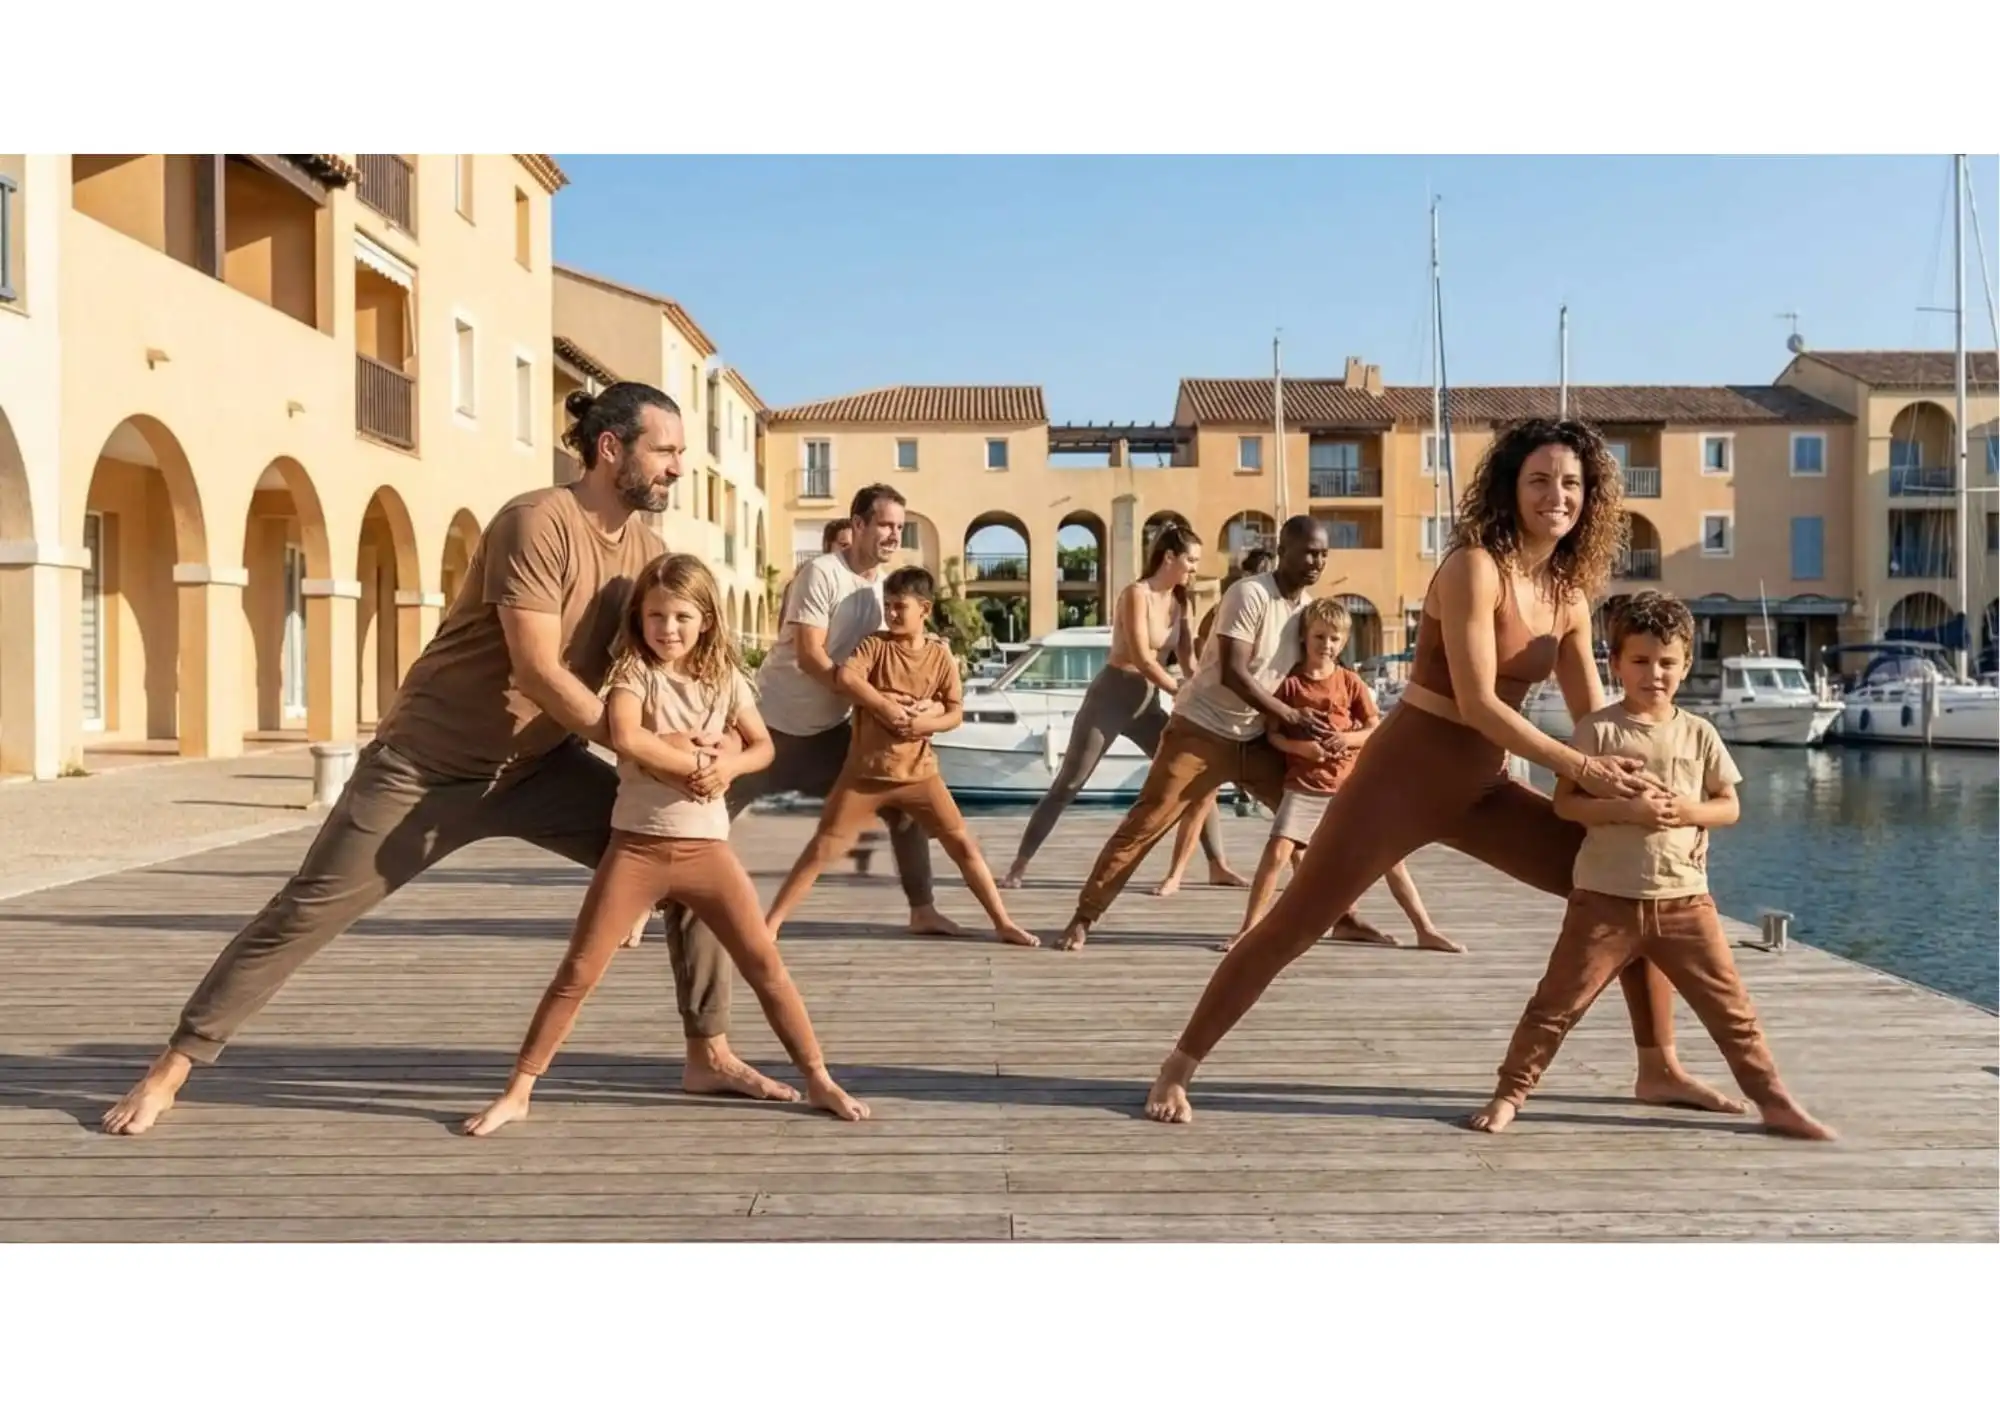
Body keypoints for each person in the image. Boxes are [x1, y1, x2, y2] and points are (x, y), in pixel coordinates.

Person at [103, 383, 788, 1137]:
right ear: (610, 449)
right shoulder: (537, 522)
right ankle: (173, 1066)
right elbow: (536, 670)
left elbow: (664, 675)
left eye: (681, 454)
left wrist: (722, 742)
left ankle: (708, 1052)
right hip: (425, 765)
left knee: (691, 863)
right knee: (305, 911)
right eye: (666, 451)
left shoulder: (649, 555)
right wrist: (646, 752)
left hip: (539, 768)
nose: (676, 468)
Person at [1144, 418, 1735, 1125]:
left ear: (1591, 497)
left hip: (1481, 790)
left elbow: (1596, 724)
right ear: (1512, 488)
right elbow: (1482, 703)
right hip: (1401, 781)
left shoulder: (1570, 596)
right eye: (1540, 480)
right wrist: (1584, 770)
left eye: (1571, 483)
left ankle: (1658, 1067)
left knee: (1630, 879)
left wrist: (1661, 806)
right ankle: (1177, 1067)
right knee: (1294, 923)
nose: (1557, 495)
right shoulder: (1475, 567)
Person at [463, 554, 868, 1136]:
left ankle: (818, 1077)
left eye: (681, 616)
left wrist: (727, 766)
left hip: (708, 854)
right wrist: (691, 762)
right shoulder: (634, 671)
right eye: (655, 615)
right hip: (637, 852)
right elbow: (627, 737)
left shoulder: (725, 678)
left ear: (705, 619)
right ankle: (519, 1090)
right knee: (578, 972)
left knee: (766, 967)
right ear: (639, 618)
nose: (667, 628)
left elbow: (763, 748)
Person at [1470, 592, 1833, 1139]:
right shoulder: (1598, 730)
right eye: (1639, 661)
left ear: (1686, 665)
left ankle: (1774, 1100)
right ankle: (1510, 1094)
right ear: (1616, 664)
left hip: (1685, 902)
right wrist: (1627, 810)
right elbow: (1567, 803)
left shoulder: (1700, 733)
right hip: (1603, 902)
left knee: (1732, 1010)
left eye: (1667, 663)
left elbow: (1728, 805)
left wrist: (1689, 812)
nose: (1653, 674)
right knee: (1554, 1005)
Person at [1053, 516, 1359, 953]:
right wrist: (1291, 716)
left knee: (1307, 818)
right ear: (1285, 550)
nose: (1318, 561)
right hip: (1200, 730)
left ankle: (1341, 916)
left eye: (1324, 553)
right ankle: (1084, 918)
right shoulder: (1250, 593)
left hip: (1253, 736)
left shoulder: (1306, 609)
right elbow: (1235, 673)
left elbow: (1307, 674)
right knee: (1145, 824)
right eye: (1310, 551)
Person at [695, 482, 965, 943]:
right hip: (774, 726)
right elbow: (810, 657)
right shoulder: (821, 573)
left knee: (901, 806)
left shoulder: (884, 588)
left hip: (834, 733)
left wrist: (924, 689)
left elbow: (891, 655)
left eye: (900, 527)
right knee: (706, 808)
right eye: (884, 524)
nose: (893, 535)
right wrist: (876, 701)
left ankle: (923, 909)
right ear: (858, 525)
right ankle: (649, 906)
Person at [765, 567, 1041, 948]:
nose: (892, 613)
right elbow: (846, 678)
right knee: (823, 847)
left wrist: (929, 721)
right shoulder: (874, 646)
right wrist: (884, 705)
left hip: (920, 775)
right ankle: (771, 924)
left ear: (924, 608)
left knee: (963, 844)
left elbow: (955, 711)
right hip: (866, 774)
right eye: (887, 606)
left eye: (900, 606)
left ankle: (1003, 922)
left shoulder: (940, 656)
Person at [1001, 521, 1243, 890]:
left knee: (1193, 774)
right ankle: (1018, 866)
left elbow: (1188, 660)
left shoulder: (1181, 601)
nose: (1194, 568)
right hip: (1112, 696)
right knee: (1070, 783)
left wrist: (1202, 689)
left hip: (1147, 700)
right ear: (1169, 558)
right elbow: (1143, 658)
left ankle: (1218, 865)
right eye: (1190, 560)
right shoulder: (1136, 594)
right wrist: (1178, 689)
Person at [1224, 596, 1460, 954]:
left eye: (1334, 639)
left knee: (1390, 858)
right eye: (1320, 637)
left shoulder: (1349, 682)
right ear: (1305, 637)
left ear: (1343, 642)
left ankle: (1425, 928)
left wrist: (1346, 739)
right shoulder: (1290, 685)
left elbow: (1373, 728)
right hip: (1304, 785)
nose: (1327, 645)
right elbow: (1273, 735)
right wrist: (1303, 750)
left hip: (1350, 787)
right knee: (1276, 852)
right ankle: (1249, 929)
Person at [1151, 547, 1275, 897]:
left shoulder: (1283, 611)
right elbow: (1205, 655)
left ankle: (1305, 878)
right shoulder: (1225, 612)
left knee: (1286, 805)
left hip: (1260, 719)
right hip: (1222, 718)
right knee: (1202, 797)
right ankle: (1181, 873)